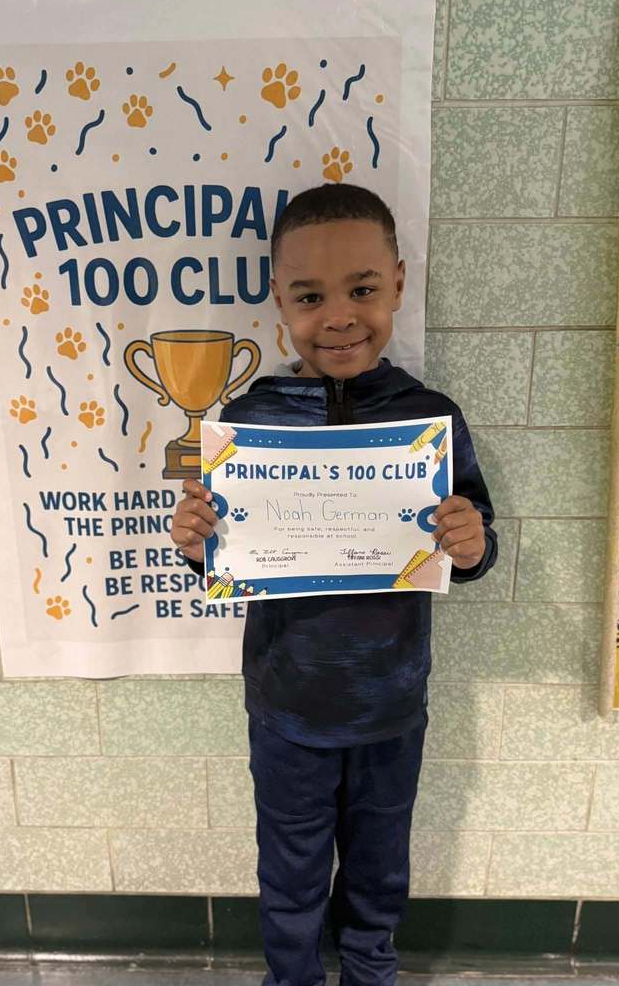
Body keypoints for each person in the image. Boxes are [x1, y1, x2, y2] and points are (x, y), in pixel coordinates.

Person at [170, 183, 497, 986]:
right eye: (311, 297)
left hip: (392, 707)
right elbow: (223, 557)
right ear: (279, 299)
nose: (340, 316)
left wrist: (471, 541)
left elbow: (474, 544)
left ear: (398, 283)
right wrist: (194, 542)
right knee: (290, 874)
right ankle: (291, 979)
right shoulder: (248, 420)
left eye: (363, 290)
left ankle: (370, 973)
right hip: (287, 710)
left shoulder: (430, 417)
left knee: (380, 873)